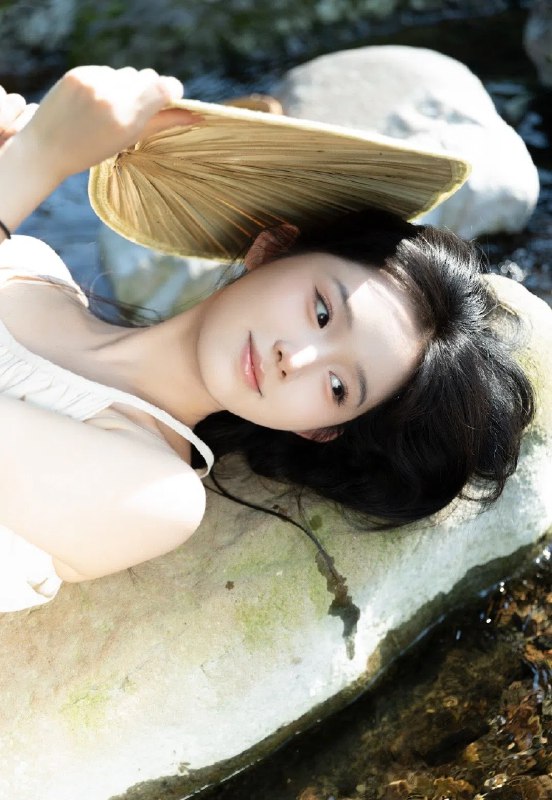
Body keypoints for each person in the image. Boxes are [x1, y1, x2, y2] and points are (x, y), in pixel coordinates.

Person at [0, 66, 534, 612]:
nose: (295, 358)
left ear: (319, 430)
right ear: (272, 248)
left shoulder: (156, 496)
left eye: (337, 387)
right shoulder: (25, 261)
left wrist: (39, 160)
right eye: (322, 311)